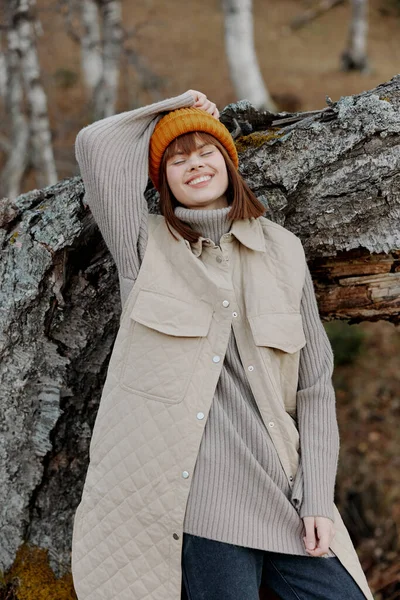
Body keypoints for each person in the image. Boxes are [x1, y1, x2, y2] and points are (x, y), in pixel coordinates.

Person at [71, 90, 373, 600]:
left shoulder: (282, 250)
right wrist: (178, 104)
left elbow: (315, 383)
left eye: (206, 151)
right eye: (177, 158)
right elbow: (95, 143)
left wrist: (318, 496)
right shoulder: (144, 249)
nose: (194, 165)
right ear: (161, 180)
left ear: (228, 161)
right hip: (200, 505)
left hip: (285, 496)